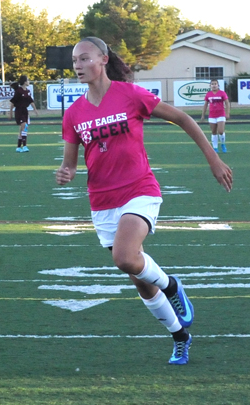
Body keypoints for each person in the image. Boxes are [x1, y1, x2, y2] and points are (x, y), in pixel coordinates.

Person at [55, 37, 233, 365]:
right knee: (139, 278)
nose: (77, 66)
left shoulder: (130, 95)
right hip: (102, 200)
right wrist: (66, 171)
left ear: (103, 59)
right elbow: (71, 161)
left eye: (83, 59)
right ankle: (179, 336)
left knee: (124, 257)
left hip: (139, 189)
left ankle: (172, 285)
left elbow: (183, 119)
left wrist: (214, 160)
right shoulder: (74, 113)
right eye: (74, 61)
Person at [9, 75, 38, 152]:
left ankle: (18, 147)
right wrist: (10, 113)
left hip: (25, 111)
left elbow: (31, 101)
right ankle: (24, 146)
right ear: (25, 82)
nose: (29, 82)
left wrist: (35, 109)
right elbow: (12, 102)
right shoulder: (18, 91)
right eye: (28, 80)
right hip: (19, 111)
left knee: (22, 129)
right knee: (24, 127)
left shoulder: (28, 91)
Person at [201, 79, 230, 153]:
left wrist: (227, 113)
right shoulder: (208, 94)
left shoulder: (222, 93)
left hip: (221, 114)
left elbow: (227, 103)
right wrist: (203, 115)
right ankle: (215, 148)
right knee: (214, 132)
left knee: (220, 131)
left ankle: (223, 144)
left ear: (218, 85)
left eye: (215, 84)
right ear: (210, 86)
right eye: (212, 84)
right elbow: (205, 105)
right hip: (212, 115)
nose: (214, 85)